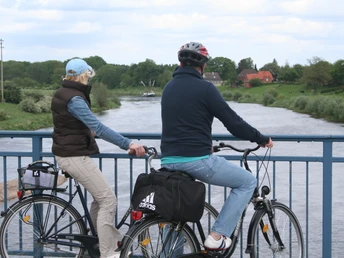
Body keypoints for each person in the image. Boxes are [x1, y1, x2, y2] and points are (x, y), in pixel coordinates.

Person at [160, 42, 274, 251]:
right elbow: (233, 123)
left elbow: (181, 125)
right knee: (247, 182)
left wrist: (204, 145)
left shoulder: (168, 88)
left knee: (176, 211)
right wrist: (260, 138)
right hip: (196, 160)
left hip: (168, 160)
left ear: (180, 63)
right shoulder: (205, 88)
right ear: (202, 65)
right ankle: (217, 235)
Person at [51, 58, 146, 258]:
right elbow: (99, 127)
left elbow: (69, 124)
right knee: (108, 200)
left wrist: (86, 132)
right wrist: (128, 143)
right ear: (85, 75)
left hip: (68, 153)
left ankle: (102, 242)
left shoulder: (62, 92)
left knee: (99, 200)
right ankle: (108, 251)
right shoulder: (75, 98)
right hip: (73, 156)